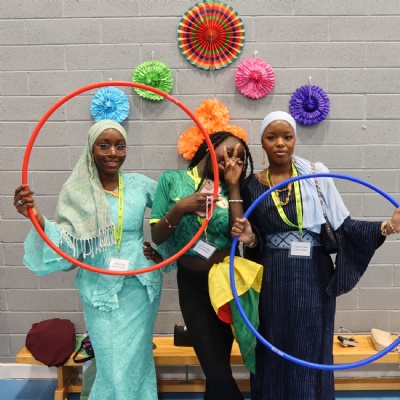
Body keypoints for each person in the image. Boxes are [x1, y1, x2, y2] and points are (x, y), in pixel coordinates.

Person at [231, 111, 400, 400]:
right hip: (272, 278)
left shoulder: (316, 176)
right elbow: (252, 239)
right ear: (262, 143)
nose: (280, 143)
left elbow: (344, 226)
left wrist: (388, 226)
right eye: (272, 137)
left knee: (311, 346)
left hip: (313, 275)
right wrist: (251, 236)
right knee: (272, 343)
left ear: (295, 140)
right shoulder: (251, 186)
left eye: (287, 136)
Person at [14, 119, 165, 400]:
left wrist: (162, 252)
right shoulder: (78, 191)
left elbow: (173, 215)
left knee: (136, 358)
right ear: (91, 149)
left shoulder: (139, 184)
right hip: (99, 288)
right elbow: (68, 243)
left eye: (120, 146)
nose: (113, 153)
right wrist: (37, 218)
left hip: (140, 287)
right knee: (111, 364)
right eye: (104, 146)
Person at [150, 131, 254, 400]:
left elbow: (236, 234)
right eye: (227, 153)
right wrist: (180, 208)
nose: (231, 161)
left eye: (239, 159)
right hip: (192, 285)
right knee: (217, 372)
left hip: (225, 284)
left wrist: (233, 188)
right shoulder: (172, 180)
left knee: (217, 367)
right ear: (209, 147)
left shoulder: (235, 187)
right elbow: (158, 236)